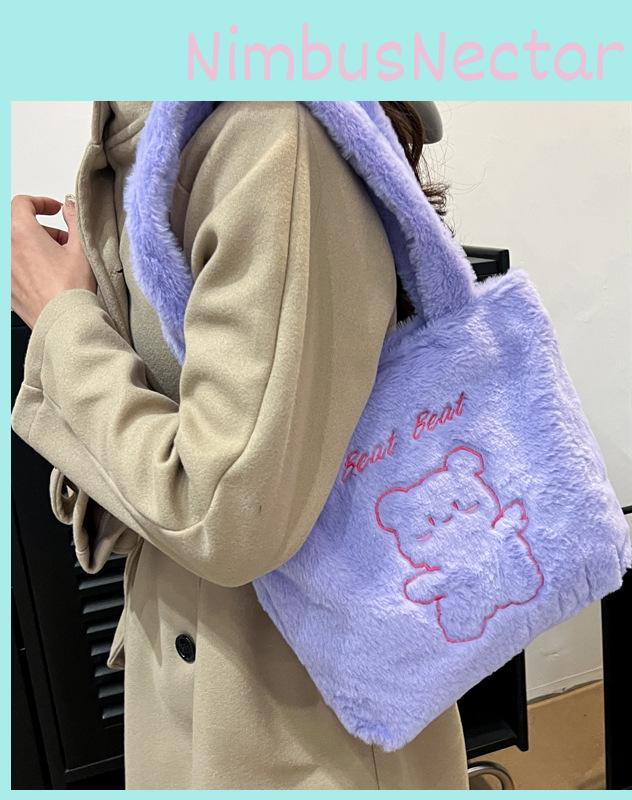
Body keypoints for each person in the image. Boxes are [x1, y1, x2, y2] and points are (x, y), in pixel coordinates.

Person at [10, 101, 469, 790]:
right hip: (210, 681)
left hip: (297, 723)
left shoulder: (269, 134)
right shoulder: (150, 131)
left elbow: (227, 517)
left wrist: (60, 323)